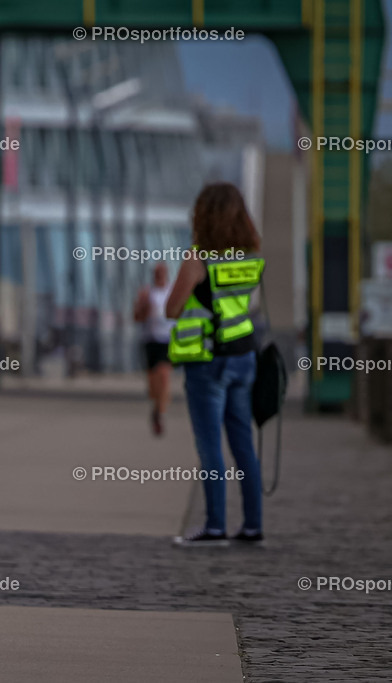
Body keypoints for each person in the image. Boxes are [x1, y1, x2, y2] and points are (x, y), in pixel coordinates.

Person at [166, 182, 265, 547]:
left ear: (203, 216)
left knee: (210, 447)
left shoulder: (198, 259)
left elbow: (172, 309)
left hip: (208, 361)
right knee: (244, 448)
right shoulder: (251, 256)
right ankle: (253, 526)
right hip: (244, 356)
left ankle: (215, 527)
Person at [133, 262, 175, 436]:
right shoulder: (147, 293)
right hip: (150, 340)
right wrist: (143, 307)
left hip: (167, 340)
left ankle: (161, 412)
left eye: (162, 272)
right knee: (152, 382)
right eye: (156, 273)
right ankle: (156, 406)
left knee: (164, 375)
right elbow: (137, 318)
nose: (159, 276)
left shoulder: (172, 291)